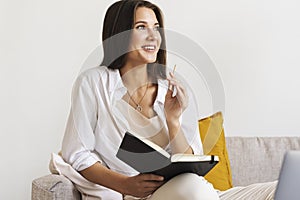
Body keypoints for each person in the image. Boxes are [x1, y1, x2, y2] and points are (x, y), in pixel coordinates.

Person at [59, 0, 220, 199]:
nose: (153, 36)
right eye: (141, 27)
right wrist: (124, 185)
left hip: (185, 191)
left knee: (267, 190)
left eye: (156, 28)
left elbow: (191, 167)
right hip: (145, 195)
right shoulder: (93, 83)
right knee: (194, 190)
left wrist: (173, 121)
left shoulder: (175, 89)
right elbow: (76, 153)